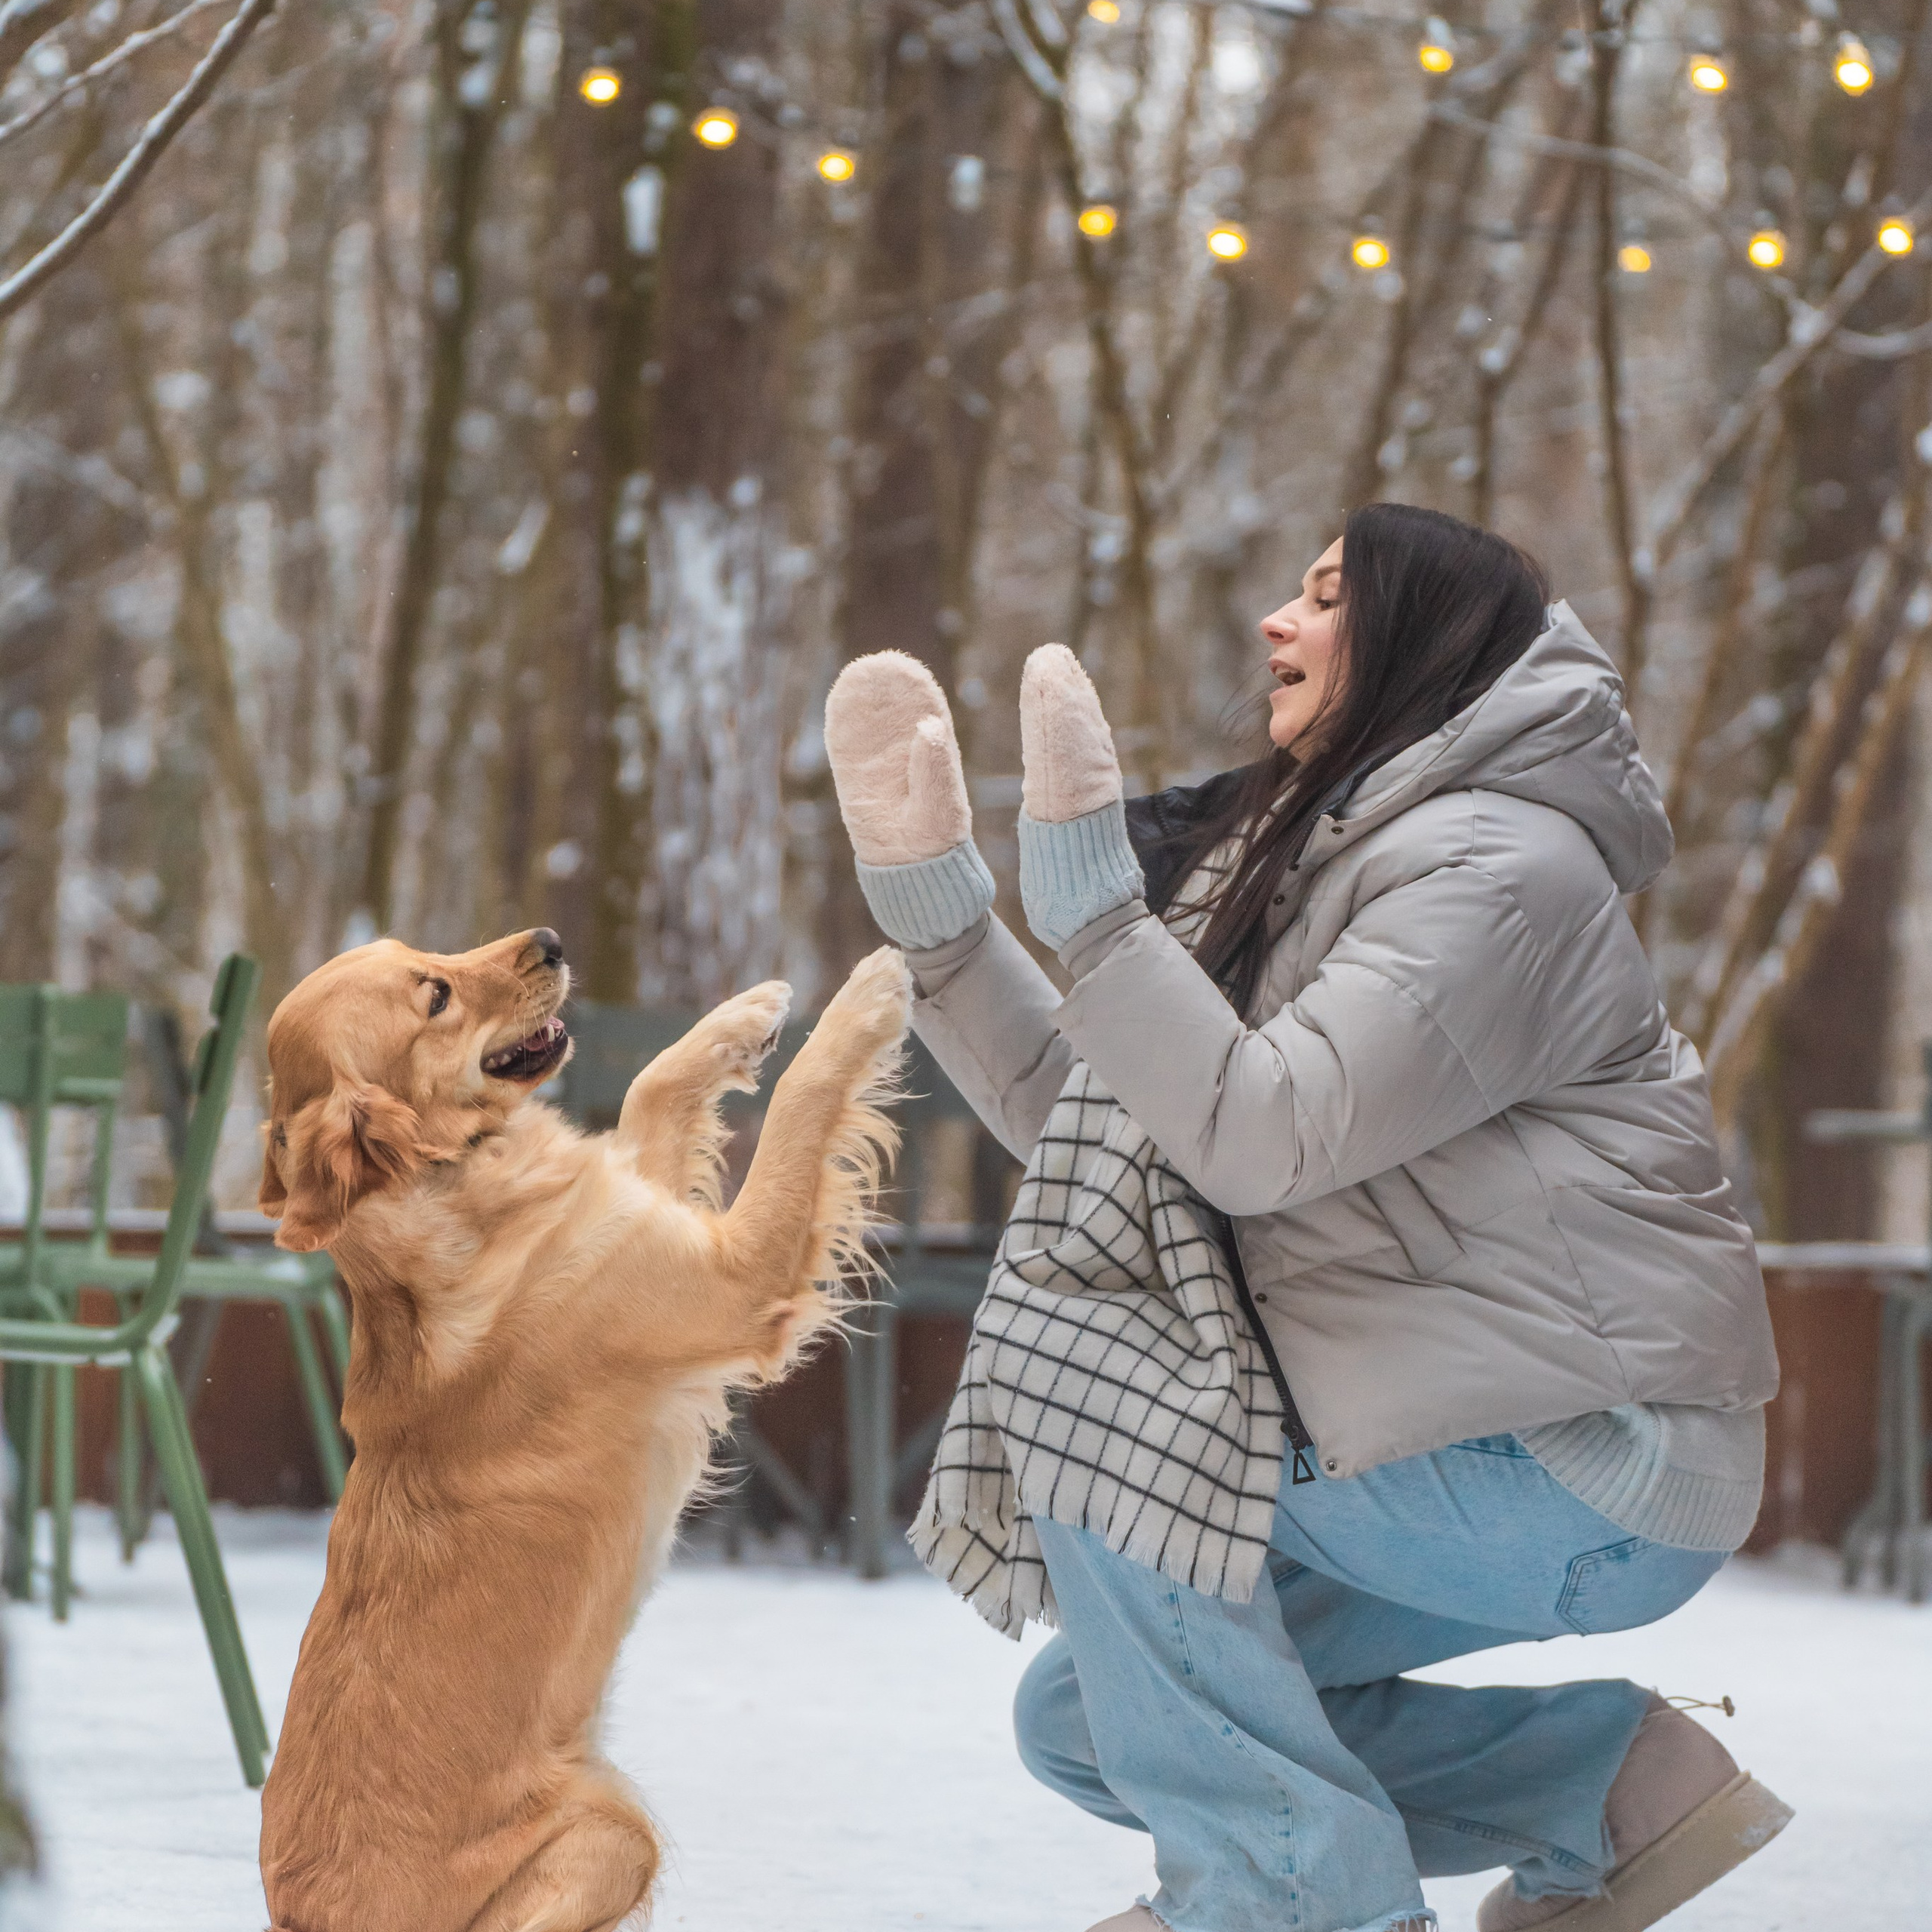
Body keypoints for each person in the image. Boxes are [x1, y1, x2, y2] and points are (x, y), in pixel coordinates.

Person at [822, 502, 1789, 1932]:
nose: (1277, 622)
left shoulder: (1500, 873)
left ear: (1420, 640)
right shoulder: (1325, 854)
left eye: (1326, 598)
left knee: (1099, 1409)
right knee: (1089, 1720)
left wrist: (1102, 920)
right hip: (1444, 1442)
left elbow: (1257, 1137)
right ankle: (1605, 1789)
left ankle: (1287, 1903)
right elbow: (1144, 1126)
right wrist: (951, 931)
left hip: (1588, 1463)